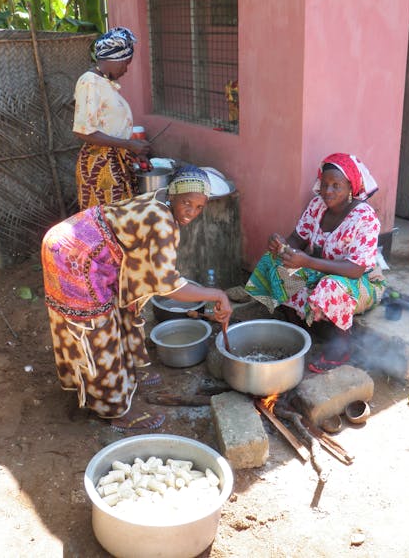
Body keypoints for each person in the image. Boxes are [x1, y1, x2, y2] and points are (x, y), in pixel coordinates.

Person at [41, 166, 232, 429]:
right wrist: (217, 294)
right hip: (74, 255)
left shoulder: (159, 199)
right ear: (173, 195)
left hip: (75, 240)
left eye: (200, 207)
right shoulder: (162, 221)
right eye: (187, 203)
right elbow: (168, 286)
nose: (192, 212)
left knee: (119, 310)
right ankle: (115, 410)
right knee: (97, 330)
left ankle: (124, 375)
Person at [245, 153, 386, 372]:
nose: (327, 191)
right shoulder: (317, 206)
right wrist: (281, 245)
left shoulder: (365, 218)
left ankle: (342, 344)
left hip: (360, 283)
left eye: (336, 185)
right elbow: (296, 240)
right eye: (324, 184)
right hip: (320, 271)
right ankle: (296, 323)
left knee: (331, 286)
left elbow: (356, 270)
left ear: (351, 187)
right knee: (275, 263)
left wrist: (308, 261)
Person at [73, 26, 150, 209]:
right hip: (100, 168)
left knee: (118, 222)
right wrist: (128, 145)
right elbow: (84, 131)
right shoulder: (89, 82)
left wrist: (132, 152)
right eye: (126, 63)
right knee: (104, 225)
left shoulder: (105, 83)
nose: (126, 70)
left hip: (115, 161)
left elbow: (111, 128)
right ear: (115, 59)